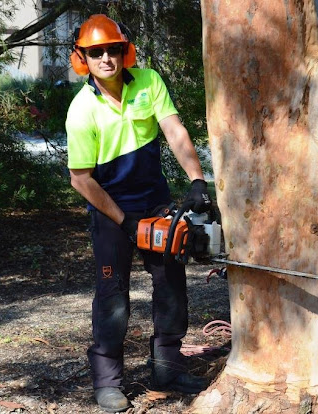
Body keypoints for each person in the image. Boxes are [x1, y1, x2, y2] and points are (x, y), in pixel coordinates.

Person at [66, 14, 211, 413]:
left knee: (171, 283)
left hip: (157, 203)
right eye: (96, 52)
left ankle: (167, 369)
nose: (107, 57)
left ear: (124, 50)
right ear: (83, 58)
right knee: (113, 296)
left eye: (113, 48)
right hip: (111, 209)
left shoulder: (148, 81)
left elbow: (175, 130)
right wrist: (125, 222)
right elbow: (81, 180)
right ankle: (107, 382)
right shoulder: (81, 111)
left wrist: (197, 181)